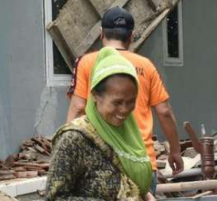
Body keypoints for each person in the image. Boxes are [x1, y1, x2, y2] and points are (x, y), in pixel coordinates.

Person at [66, 7, 184, 194]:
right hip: (140, 164)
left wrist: (69, 154)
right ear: (130, 37)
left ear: (101, 34)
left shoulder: (87, 63)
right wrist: (175, 151)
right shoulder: (146, 66)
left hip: (99, 163)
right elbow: (164, 112)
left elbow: (78, 108)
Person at [47, 47, 155, 201]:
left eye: (131, 102)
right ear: (95, 96)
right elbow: (54, 198)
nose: (124, 110)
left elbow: (130, 181)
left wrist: (146, 196)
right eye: (117, 102)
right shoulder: (74, 139)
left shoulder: (128, 133)